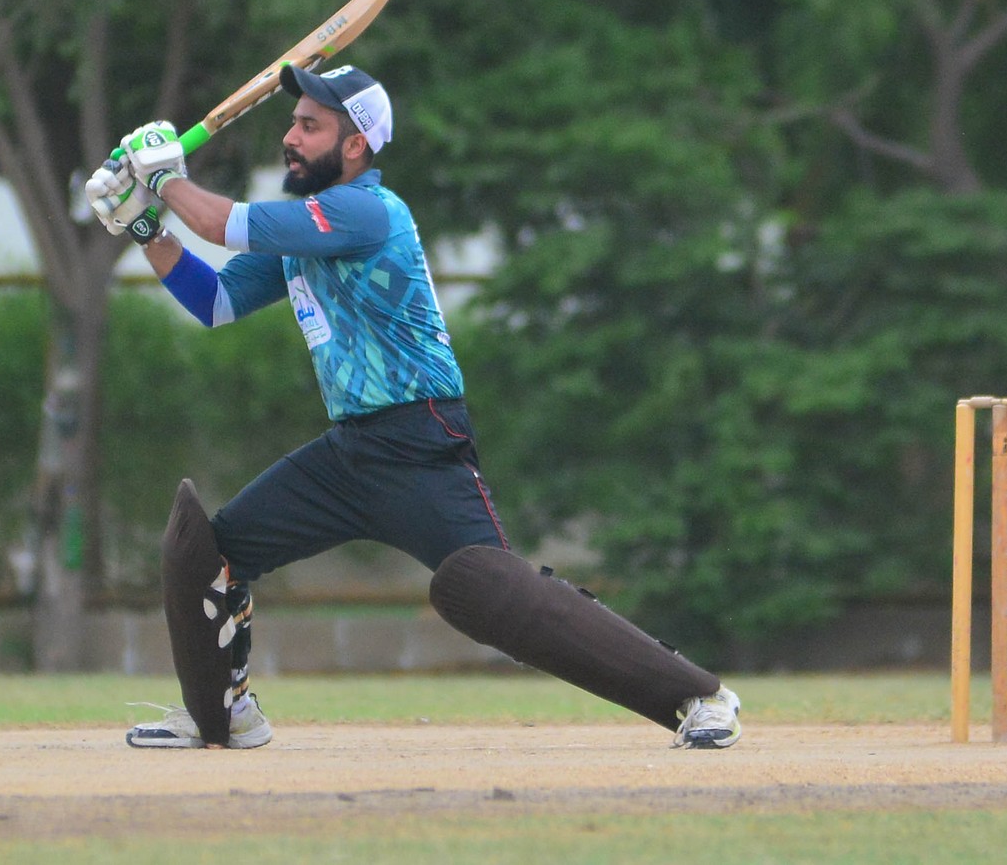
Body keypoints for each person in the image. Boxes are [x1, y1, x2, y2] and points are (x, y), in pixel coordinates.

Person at [84, 63, 741, 750]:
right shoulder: (306, 232)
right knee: (208, 553)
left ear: (355, 145)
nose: (291, 138)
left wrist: (164, 178)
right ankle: (223, 715)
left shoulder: (365, 210)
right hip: (350, 451)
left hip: (421, 439)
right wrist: (145, 226)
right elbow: (214, 301)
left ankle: (700, 696)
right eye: (293, 123)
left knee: (492, 592)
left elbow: (222, 223)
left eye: (310, 126)